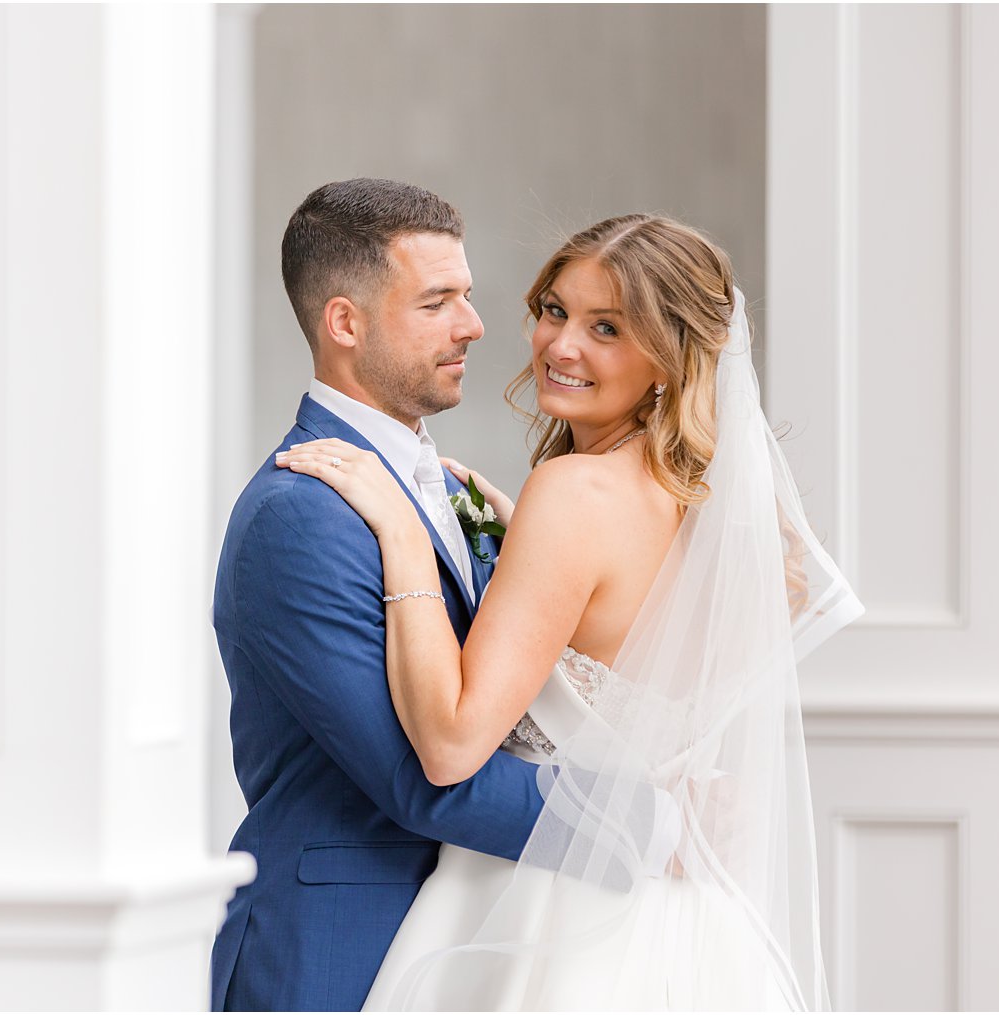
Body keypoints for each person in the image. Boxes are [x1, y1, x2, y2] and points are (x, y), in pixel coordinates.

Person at [277, 214, 864, 1009]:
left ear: (668, 359)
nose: (560, 345)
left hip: (551, 914)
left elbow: (450, 745)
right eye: (554, 310)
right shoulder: (715, 512)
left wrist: (406, 540)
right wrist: (523, 534)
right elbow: (627, 660)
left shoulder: (575, 497)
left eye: (607, 327)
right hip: (690, 928)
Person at [210, 178, 553, 1013]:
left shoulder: (445, 483)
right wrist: (645, 826)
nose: (472, 325)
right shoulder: (302, 514)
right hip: (334, 955)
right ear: (345, 323)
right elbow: (422, 778)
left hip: (460, 940)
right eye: (437, 302)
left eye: (466, 297)